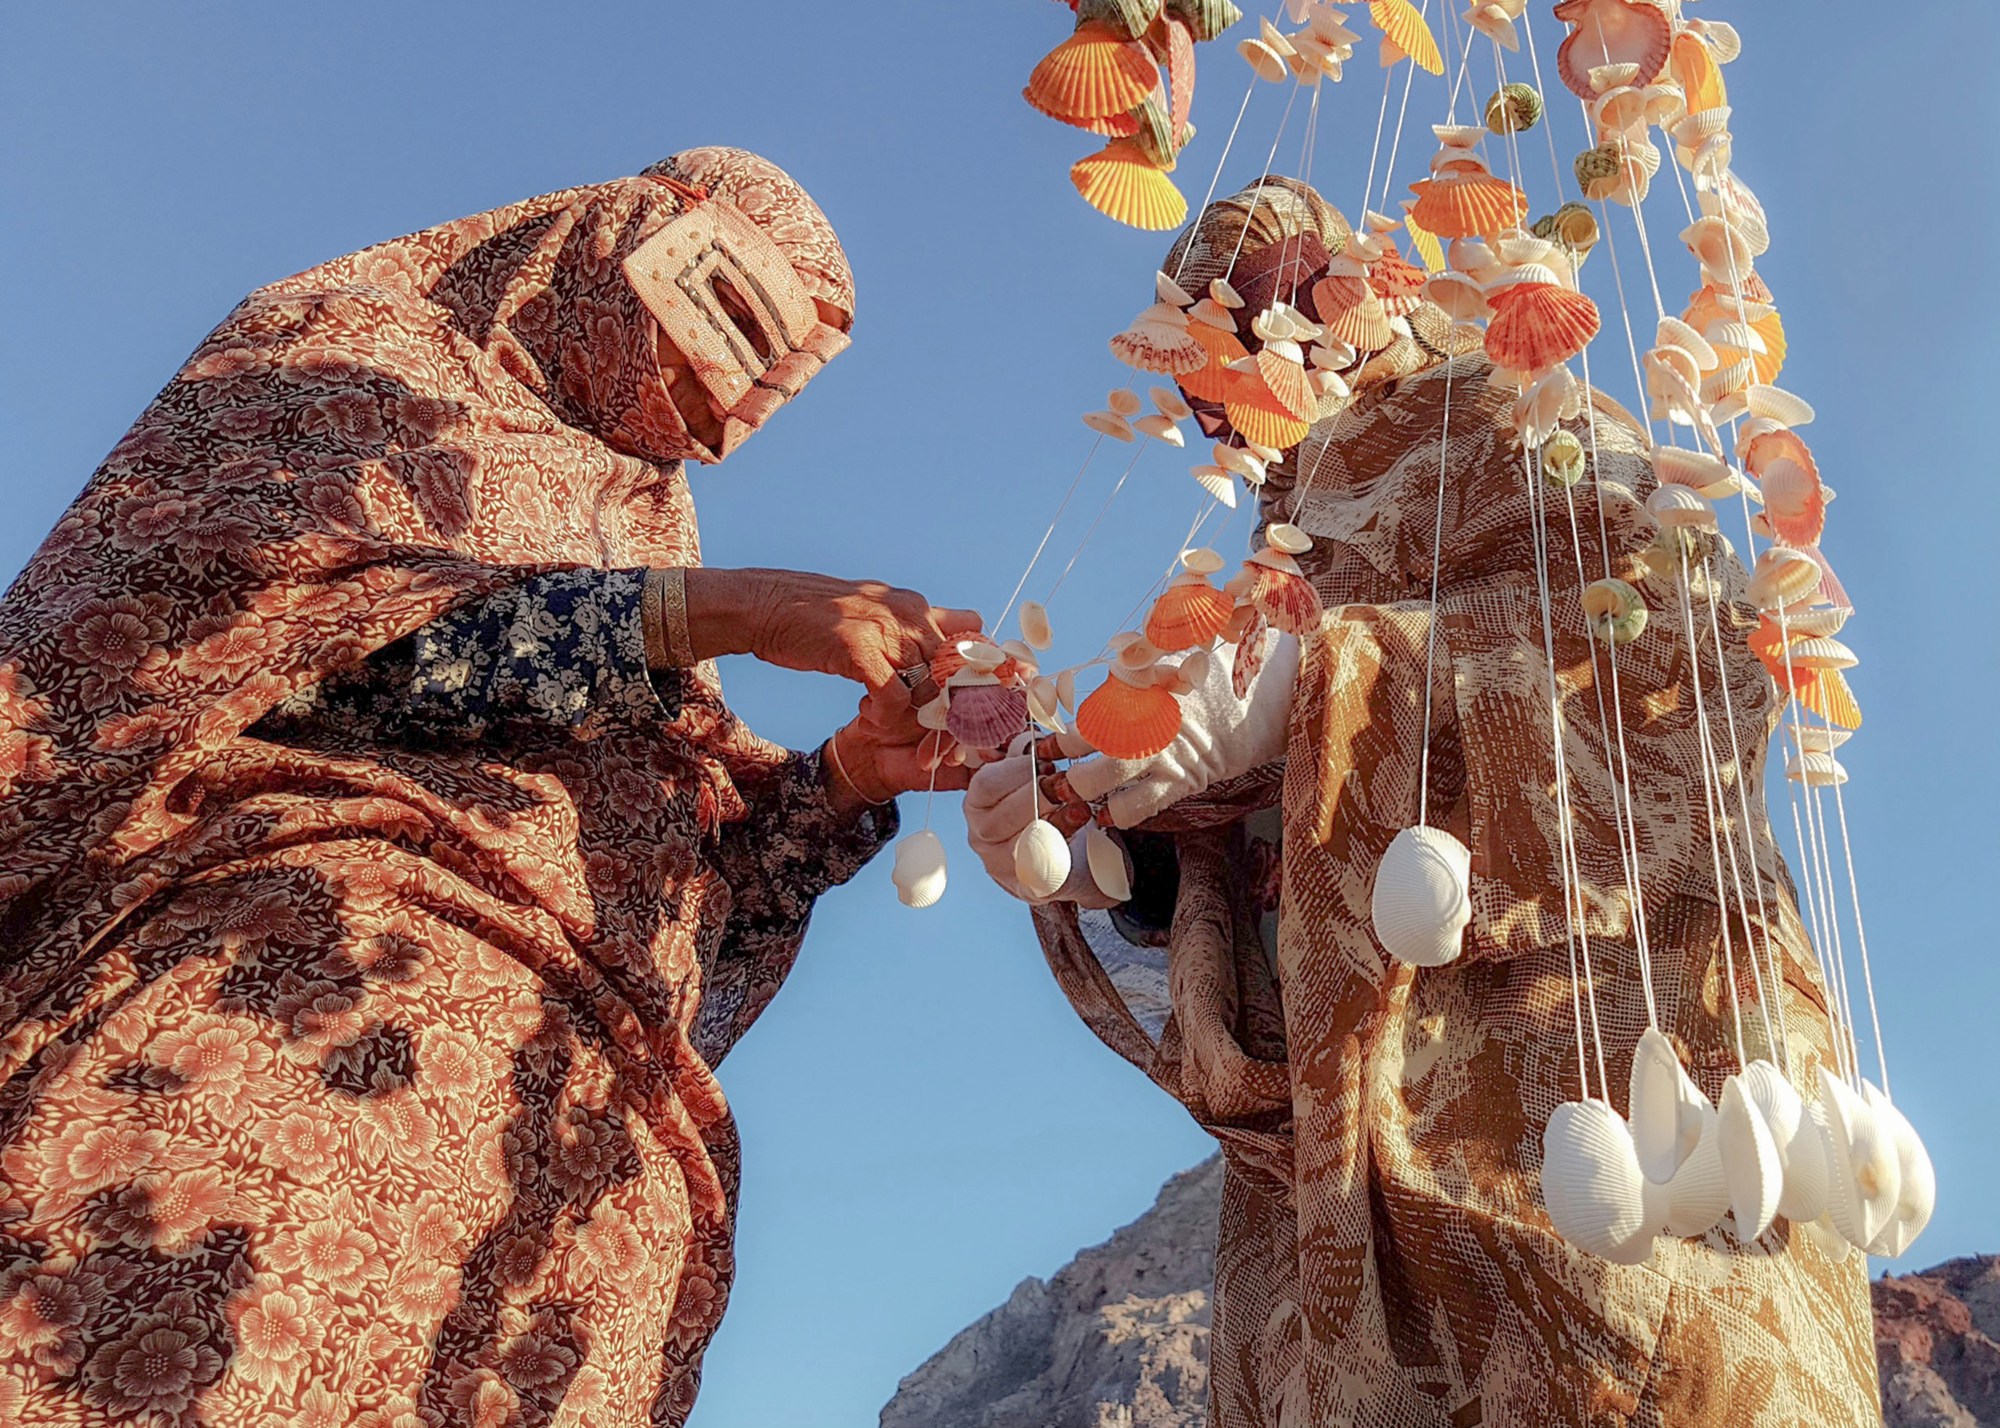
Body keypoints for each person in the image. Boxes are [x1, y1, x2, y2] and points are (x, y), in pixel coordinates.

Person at [0, 148, 978, 1425]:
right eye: (717, 328)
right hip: (300, 1008)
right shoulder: (352, 360)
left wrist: (848, 779)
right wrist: (725, 611)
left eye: (765, 386)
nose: (718, 411)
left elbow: (682, 875)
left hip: (575, 1149)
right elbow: (283, 645)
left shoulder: (639, 525)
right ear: (618, 249)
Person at [967, 177, 1879, 1426]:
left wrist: (1337, 679)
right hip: (1346, 1142)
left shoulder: (1518, 414)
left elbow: (1687, 660)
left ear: (1348, 293)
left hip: (1594, 1053)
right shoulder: (1278, 549)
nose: (1229, 393)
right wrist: (1123, 843)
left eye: (1259, 327)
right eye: (1201, 373)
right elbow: (1293, 829)